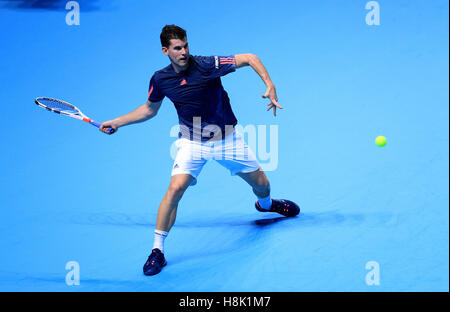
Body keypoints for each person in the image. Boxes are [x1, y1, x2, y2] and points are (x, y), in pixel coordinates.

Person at [100, 25, 300, 276]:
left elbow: (250, 58)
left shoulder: (208, 64)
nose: (183, 52)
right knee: (175, 189)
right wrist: (117, 121)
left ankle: (266, 204)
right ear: (165, 51)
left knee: (263, 185)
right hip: (192, 143)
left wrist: (269, 84)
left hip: (228, 140)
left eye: (185, 46)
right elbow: (149, 110)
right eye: (177, 48)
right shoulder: (160, 79)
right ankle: (157, 250)